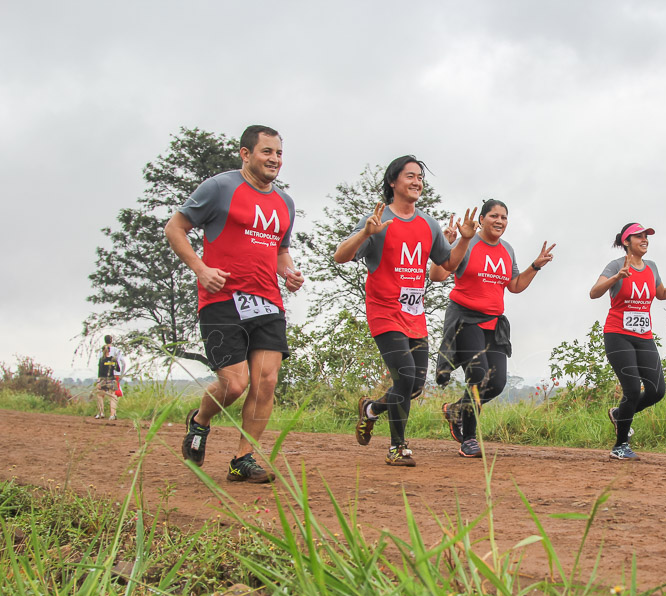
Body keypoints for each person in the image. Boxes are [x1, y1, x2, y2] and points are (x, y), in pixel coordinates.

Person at [164, 124, 304, 484]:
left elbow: (280, 251)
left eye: (279, 153)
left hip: (268, 302)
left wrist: (288, 272)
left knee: (266, 382)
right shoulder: (220, 187)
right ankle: (200, 421)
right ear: (246, 154)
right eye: (266, 152)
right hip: (222, 299)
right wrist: (200, 268)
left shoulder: (285, 203)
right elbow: (174, 228)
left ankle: (243, 459)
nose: (274, 159)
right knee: (235, 384)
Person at [334, 155, 476, 467]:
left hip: (414, 316)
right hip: (383, 311)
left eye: (420, 178)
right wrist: (365, 234)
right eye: (410, 176)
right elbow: (340, 256)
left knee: (413, 385)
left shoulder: (428, 224)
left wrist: (464, 239)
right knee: (405, 376)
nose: (416, 183)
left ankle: (371, 410)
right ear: (393, 181)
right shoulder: (378, 219)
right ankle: (397, 448)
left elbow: (447, 265)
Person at [430, 199, 554, 457]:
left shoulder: (507, 249)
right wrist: (447, 243)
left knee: (496, 383)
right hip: (465, 318)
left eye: (504, 217)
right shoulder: (467, 242)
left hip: (493, 323)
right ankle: (470, 439)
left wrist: (536, 266)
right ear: (482, 219)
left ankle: (456, 410)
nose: (499, 221)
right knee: (478, 374)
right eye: (494, 216)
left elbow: (515, 286)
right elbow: (438, 276)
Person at [589, 223, 666, 461]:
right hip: (618, 334)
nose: (644, 240)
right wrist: (616, 277)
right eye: (639, 237)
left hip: (644, 337)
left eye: (646, 237)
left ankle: (618, 413)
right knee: (632, 390)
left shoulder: (651, 267)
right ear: (626, 242)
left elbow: (661, 294)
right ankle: (620, 446)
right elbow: (594, 293)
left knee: (656, 391)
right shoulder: (616, 265)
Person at [94, 343, 120, 420]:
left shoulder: (101, 360)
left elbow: (100, 372)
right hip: (112, 380)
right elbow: (118, 369)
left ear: (103, 351)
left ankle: (101, 413)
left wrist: (98, 382)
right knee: (113, 397)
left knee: (100, 395)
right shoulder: (113, 359)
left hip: (103, 380)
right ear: (109, 351)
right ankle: (112, 415)